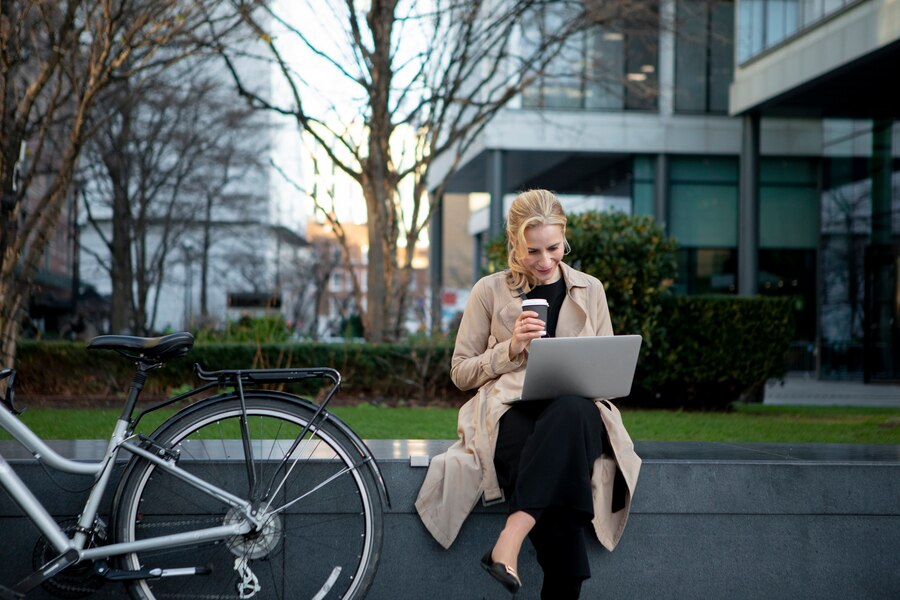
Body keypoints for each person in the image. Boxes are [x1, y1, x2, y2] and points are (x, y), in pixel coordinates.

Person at [415, 189, 641, 599]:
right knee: (558, 505)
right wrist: (510, 349)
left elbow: (607, 367)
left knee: (571, 412)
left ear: (564, 237)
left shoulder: (591, 289)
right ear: (514, 243)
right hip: (510, 412)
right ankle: (537, 564)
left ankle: (511, 538)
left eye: (553, 248)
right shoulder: (489, 290)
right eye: (532, 250)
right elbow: (461, 373)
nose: (544, 260)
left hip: (577, 414)